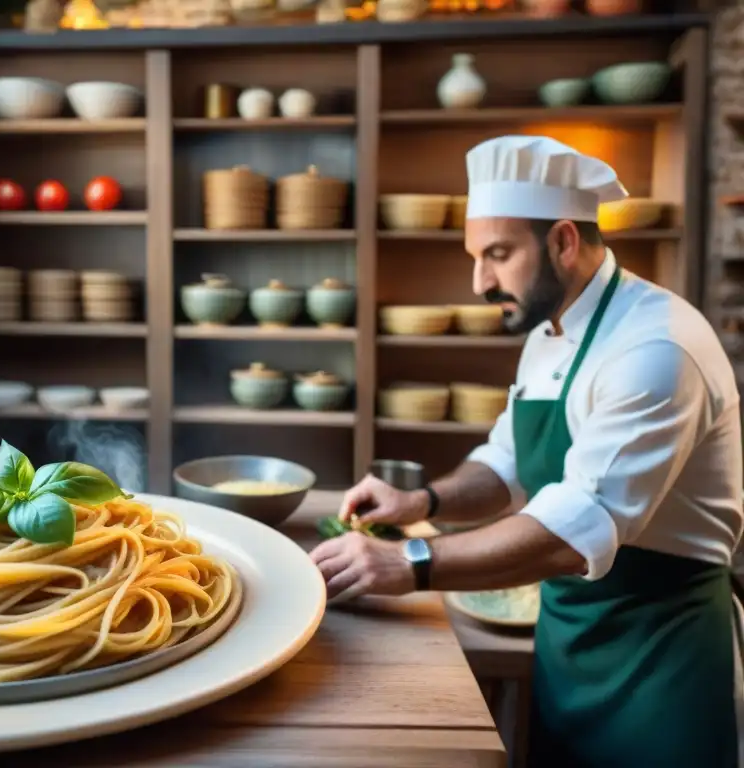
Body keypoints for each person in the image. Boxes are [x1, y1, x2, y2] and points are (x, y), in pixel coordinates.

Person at [310, 135, 744, 767]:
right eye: (475, 256)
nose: (480, 281)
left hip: (663, 659)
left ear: (565, 241)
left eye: (499, 254)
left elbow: (573, 534)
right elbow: (506, 465)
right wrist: (420, 501)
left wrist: (410, 561)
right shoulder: (549, 329)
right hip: (569, 645)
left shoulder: (658, 349)